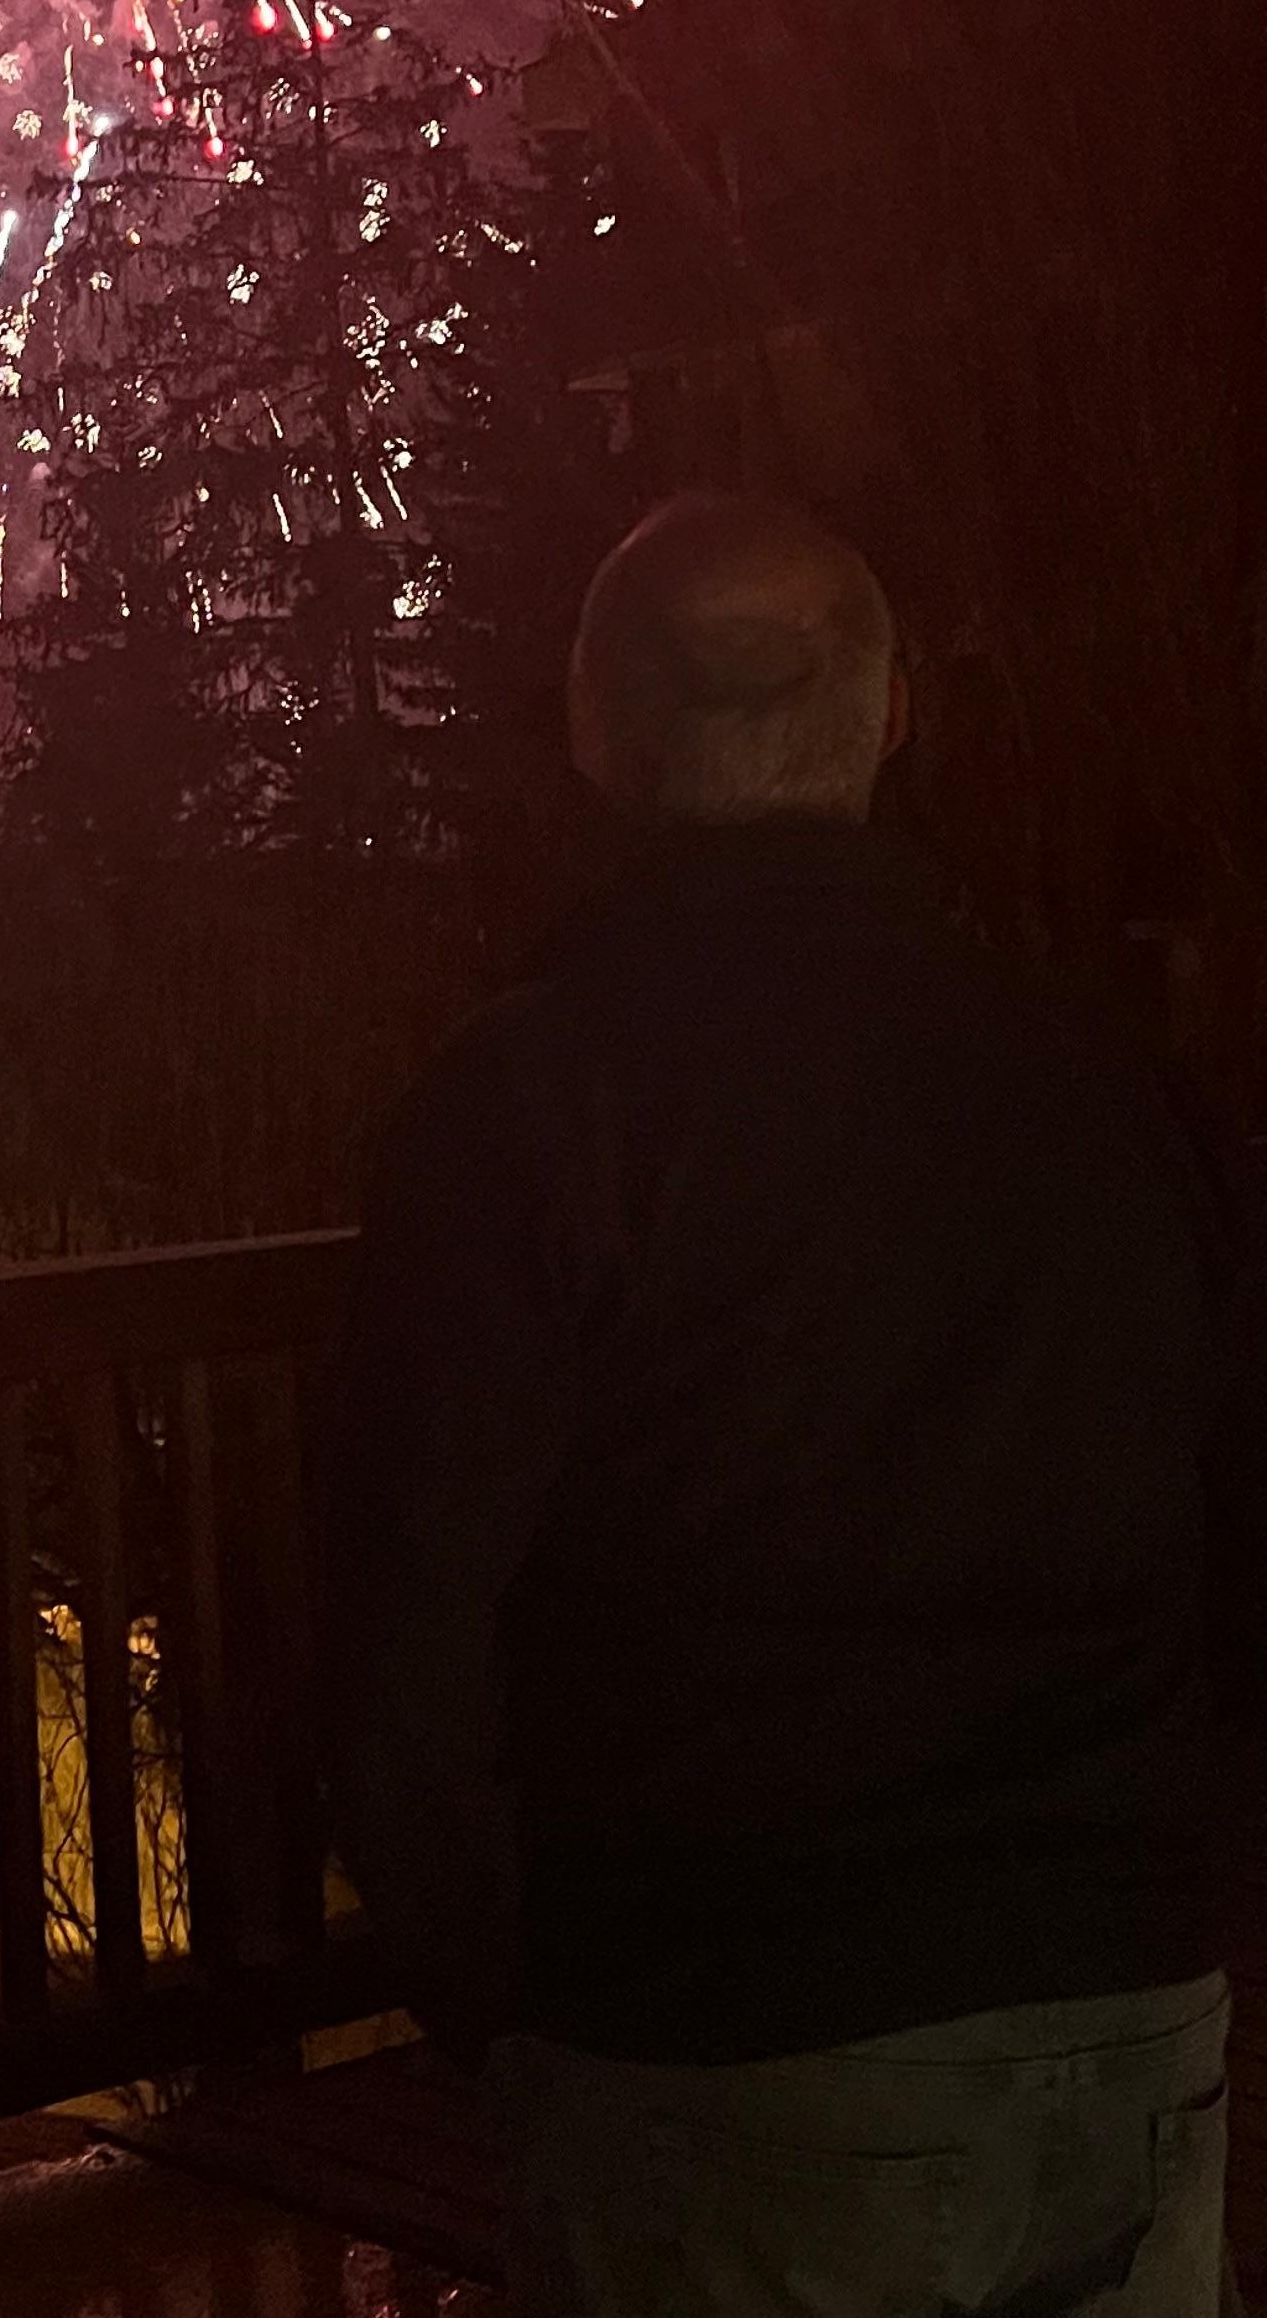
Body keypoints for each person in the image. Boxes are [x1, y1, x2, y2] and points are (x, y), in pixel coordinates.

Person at [320, 492, 1252, 2318]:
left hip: (730, 2039)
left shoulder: (530, 1109)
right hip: (1131, 2009)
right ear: (897, 719)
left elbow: (399, 1606)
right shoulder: (1113, 1082)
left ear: (595, 731)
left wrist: (498, 1985)